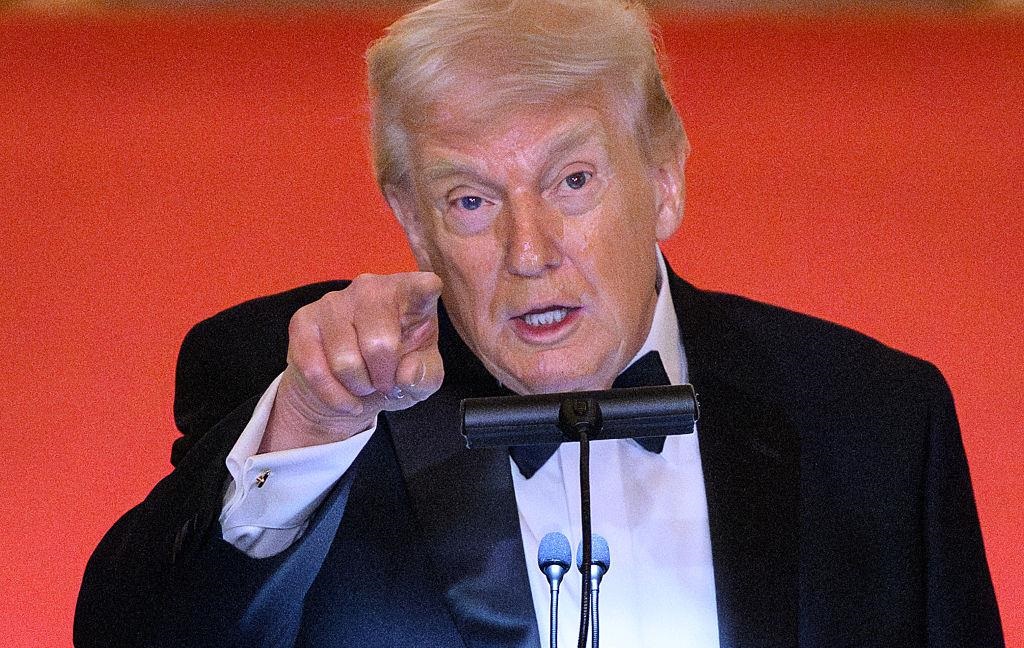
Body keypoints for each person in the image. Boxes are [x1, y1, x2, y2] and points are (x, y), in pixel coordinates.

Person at [75, 0, 1004, 646]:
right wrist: (310, 428)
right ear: (412, 221)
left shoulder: (876, 420)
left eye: (573, 181)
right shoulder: (305, 396)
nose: (529, 251)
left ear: (665, 177)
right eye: (471, 201)